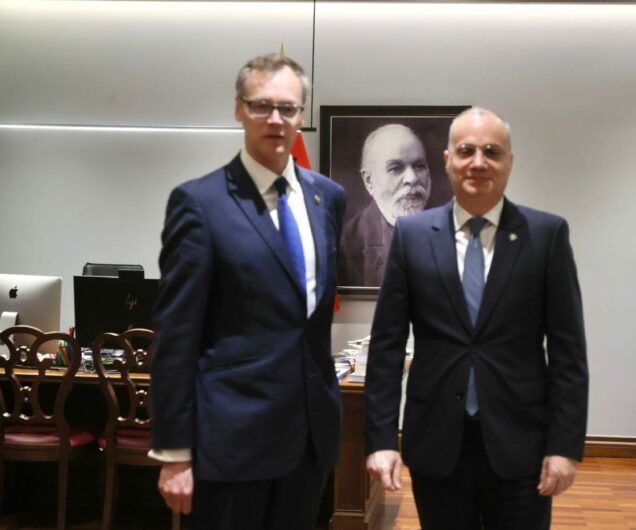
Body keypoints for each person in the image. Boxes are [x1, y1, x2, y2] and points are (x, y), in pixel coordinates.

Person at [363, 107, 588, 529]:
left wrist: (565, 446)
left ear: (509, 162)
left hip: (522, 445)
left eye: (492, 152)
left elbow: (568, 352)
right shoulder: (412, 237)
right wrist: (380, 439)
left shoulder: (546, 235)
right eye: (466, 151)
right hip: (436, 444)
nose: (478, 162)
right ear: (448, 160)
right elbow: (387, 347)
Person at [149, 53, 346, 530]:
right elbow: (176, 335)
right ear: (239, 109)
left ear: (301, 115)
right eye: (262, 106)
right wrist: (174, 451)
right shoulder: (200, 203)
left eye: (288, 108)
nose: (276, 119)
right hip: (232, 441)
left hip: (310, 439)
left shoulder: (328, 198)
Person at [339, 124, 431, 287]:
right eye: (396, 168)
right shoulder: (344, 245)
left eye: (419, 166)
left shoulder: (450, 234)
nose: (412, 178)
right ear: (369, 181)